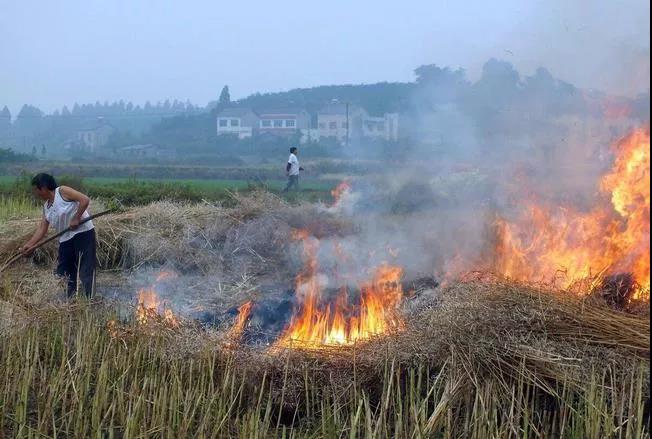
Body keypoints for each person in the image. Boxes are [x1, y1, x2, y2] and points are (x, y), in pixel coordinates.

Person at [20, 173, 97, 298]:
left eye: (36, 189)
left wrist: (76, 218)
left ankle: (88, 301)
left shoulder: (62, 191)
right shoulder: (46, 207)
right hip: (65, 239)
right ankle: (70, 300)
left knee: (85, 269)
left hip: (83, 234)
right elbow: (42, 228)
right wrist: (29, 245)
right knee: (64, 272)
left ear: (44, 187)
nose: (35, 193)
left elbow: (84, 200)